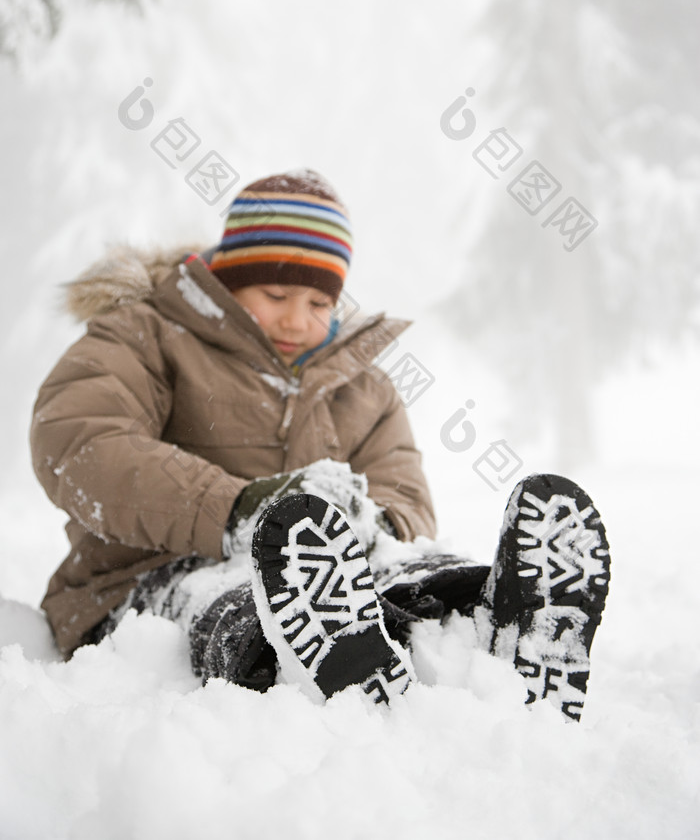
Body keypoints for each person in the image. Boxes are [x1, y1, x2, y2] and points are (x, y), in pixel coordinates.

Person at [30, 169, 610, 718]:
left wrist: (372, 524)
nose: (297, 321)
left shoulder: (363, 387)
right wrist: (236, 508)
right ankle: (318, 655)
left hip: (330, 574)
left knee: (415, 571)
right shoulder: (145, 336)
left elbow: (404, 492)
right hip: (144, 580)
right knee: (228, 601)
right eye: (276, 295)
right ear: (226, 283)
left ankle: (497, 627)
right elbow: (80, 445)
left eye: (319, 304)